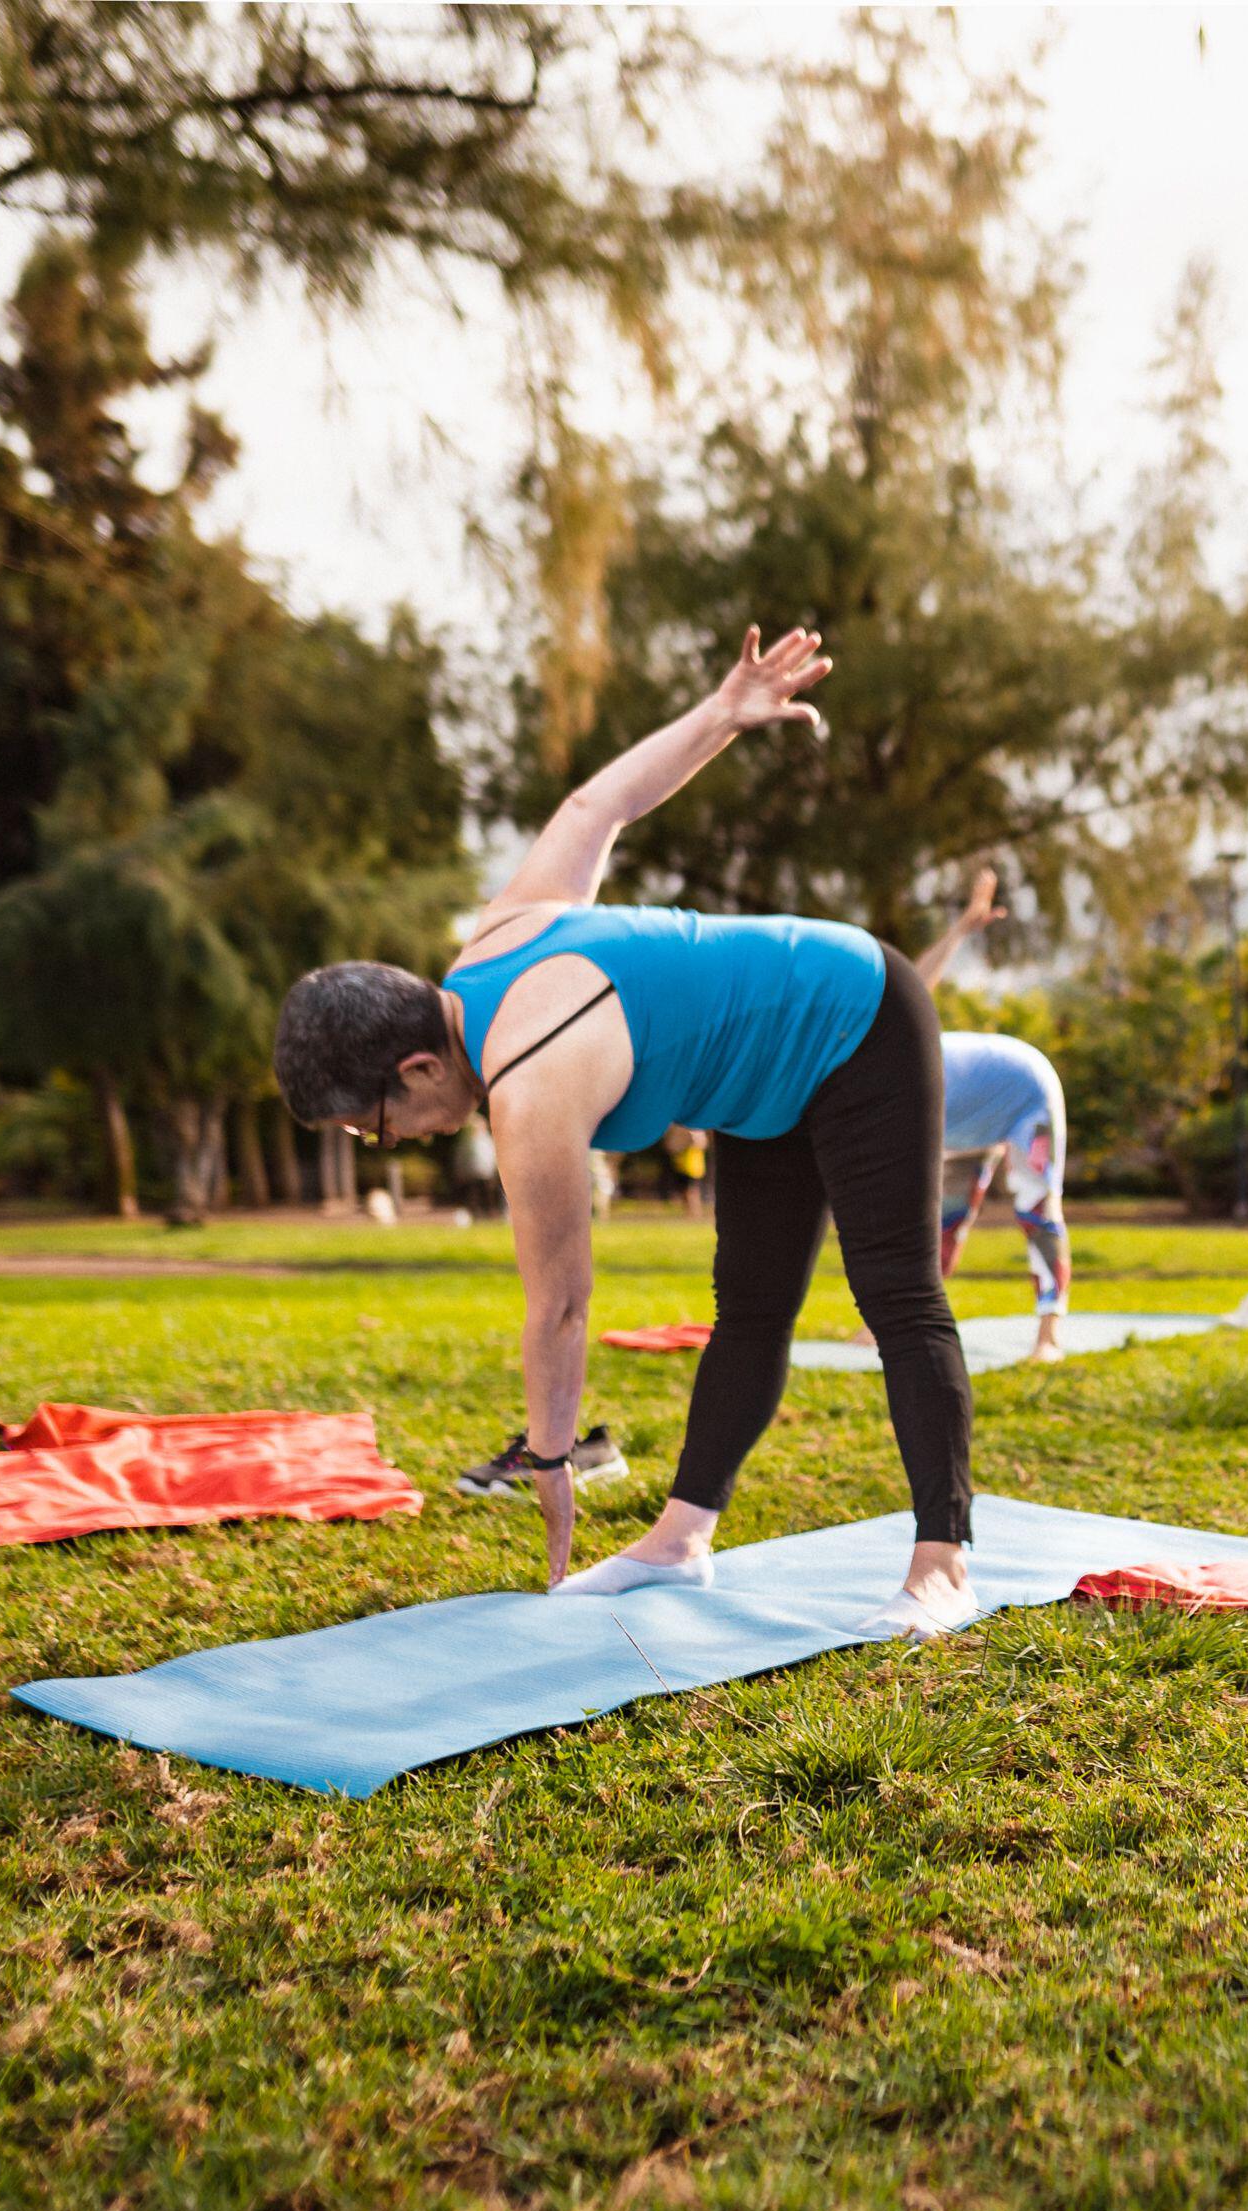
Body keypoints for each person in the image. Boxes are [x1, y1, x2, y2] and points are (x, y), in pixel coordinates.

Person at [269, 627, 984, 1639]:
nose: (390, 1145)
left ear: (417, 1067)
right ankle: (681, 1539)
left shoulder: (529, 1081)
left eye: (375, 1125)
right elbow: (594, 807)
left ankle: (943, 1560)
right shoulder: (497, 936)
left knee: (898, 1294)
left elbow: (560, 1304)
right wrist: (723, 713)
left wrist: (552, 1463)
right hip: (763, 1081)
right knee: (748, 1306)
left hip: (856, 1013)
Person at [912, 872, 1079, 1361]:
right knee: (944, 1224)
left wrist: (962, 928)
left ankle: (1049, 1336)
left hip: (1022, 1091)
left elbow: (914, 988)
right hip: (961, 1125)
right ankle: (901, 1329)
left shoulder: (882, 1050)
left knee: (1036, 1208)